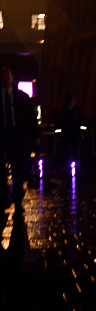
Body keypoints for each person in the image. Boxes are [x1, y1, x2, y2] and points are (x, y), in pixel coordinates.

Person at [0, 66, 39, 218]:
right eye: (3, 76)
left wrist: (35, 135)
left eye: (7, 76)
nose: (5, 79)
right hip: (4, 135)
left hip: (17, 137)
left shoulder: (21, 97)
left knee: (18, 171)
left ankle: (17, 201)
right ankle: (5, 199)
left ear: (11, 77)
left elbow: (31, 117)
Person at [56, 94, 86, 166]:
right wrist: (58, 135)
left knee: (76, 151)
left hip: (76, 135)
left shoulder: (78, 111)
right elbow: (59, 124)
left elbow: (83, 123)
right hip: (66, 135)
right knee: (67, 152)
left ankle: (76, 165)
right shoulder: (63, 111)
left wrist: (82, 133)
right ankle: (67, 166)